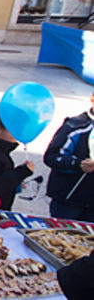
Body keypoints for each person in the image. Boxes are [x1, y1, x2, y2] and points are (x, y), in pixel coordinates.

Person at [43, 91, 94, 222]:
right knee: (60, 235)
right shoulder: (76, 126)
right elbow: (52, 156)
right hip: (68, 200)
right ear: (92, 100)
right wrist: (78, 164)